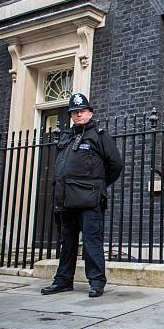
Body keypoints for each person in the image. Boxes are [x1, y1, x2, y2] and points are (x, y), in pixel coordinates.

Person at [41, 93, 123, 298]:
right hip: (66, 200)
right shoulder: (66, 137)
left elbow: (116, 165)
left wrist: (98, 186)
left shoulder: (99, 135)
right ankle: (63, 280)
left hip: (89, 200)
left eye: (81, 111)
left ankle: (96, 282)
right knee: (66, 242)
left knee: (91, 241)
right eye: (74, 112)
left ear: (90, 112)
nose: (78, 114)